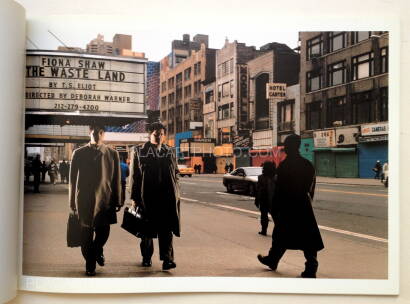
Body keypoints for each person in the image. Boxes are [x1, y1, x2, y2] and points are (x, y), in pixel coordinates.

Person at [257, 134, 324, 278]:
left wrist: (275, 207)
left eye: (286, 145)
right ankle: (311, 266)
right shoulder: (308, 165)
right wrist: (307, 201)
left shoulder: (285, 165)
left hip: (288, 205)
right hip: (303, 205)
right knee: (307, 237)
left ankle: (273, 259)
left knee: (281, 234)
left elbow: (279, 189)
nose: (285, 147)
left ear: (291, 147)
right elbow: (311, 189)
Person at [69, 124, 122, 276]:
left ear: (103, 134)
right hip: (84, 199)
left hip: (105, 200)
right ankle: (90, 263)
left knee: (103, 232)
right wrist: (71, 202)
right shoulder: (78, 153)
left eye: (101, 131)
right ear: (89, 132)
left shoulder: (112, 153)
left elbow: (116, 179)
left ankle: (97, 251)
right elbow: (72, 181)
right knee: (85, 234)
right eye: (95, 131)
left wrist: (118, 200)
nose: (98, 134)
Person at [130, 121, 181, 270]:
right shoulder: (139, 151)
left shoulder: (170, 151)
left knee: (166, 229)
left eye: (162, 134)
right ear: (150, 135)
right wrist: (134, 199)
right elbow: (134, 176)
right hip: (147, 197)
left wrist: (176, 192)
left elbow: (175, 172)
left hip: (167, 197)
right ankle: (146, 257)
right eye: (156, 134)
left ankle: (167, 259)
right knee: (146, 230)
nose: (159, 136)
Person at [254, 161, 276, 236]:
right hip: (273, 199)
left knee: (264, 216)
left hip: (264, 200)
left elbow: (258, 190)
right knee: (276, 217)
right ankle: (278, 232)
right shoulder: (276, 177)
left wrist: (257, 200)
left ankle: (264, 230)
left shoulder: (260, 177)